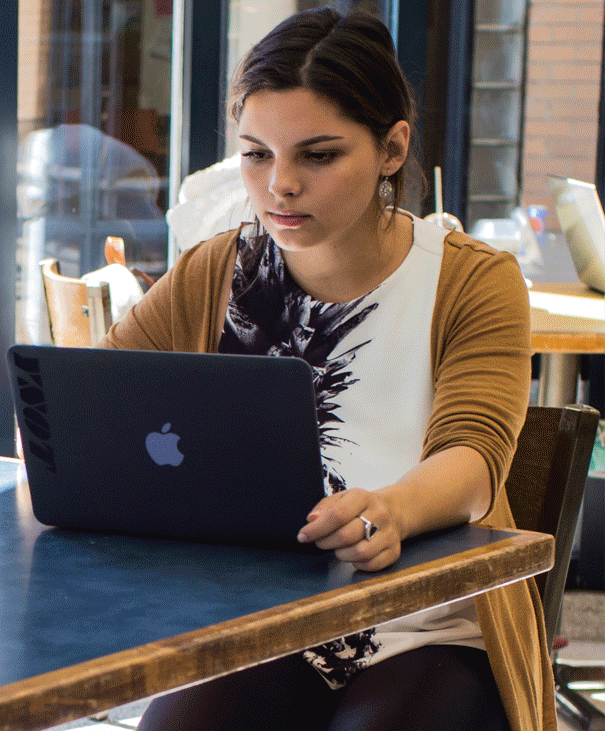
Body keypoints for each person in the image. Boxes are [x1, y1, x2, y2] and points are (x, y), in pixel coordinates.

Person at [102, 8, 546, 731]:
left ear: (392, 148)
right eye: (256, 154)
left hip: (427, 628)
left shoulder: (470, 280)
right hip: (263, 624)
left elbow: (474, 456)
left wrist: (393, 508)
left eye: (318, 155)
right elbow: (100, 400)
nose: (280, 185)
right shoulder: (216, 270)